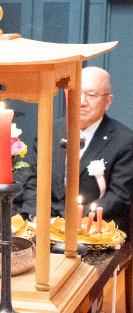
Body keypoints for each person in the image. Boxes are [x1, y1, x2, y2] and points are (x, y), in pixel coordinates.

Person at [20, 67, 133, 230]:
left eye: (91, 95)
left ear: (107, 101)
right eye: (76, 93)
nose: (81, 102)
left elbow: (118, 198)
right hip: (43, 226)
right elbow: (35, 181)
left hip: (93, 230)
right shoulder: (51, 130)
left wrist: (66, 220)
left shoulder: (124, 140)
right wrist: (37, 215)